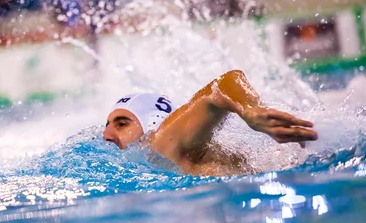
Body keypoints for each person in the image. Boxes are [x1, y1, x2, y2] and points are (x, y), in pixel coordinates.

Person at [102, 70, 317, 177]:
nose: (107, 134)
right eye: (108, 124)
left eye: (122, 124)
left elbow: (225, 82)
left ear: (153, 126)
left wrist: (249, 109)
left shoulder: (163, 144)